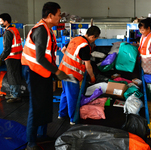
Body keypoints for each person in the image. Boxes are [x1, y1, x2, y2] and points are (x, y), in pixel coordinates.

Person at [21, 2, 69, 150]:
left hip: (42, 71)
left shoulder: (48, 30)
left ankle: (41, 135)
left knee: (45, 104)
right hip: (33, 71)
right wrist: (57, 72)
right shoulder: (41, 30)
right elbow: (41, 58)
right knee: (36, 107)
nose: (60, 17)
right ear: (50, 16)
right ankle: (31, 143)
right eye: (59, 15)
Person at [58, 26, 101, 124]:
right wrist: (92, 77)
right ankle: (73, 119)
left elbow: (63, 50)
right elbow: (88, 65)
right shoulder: (85, 46)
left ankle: (61, 114)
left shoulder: (75, 39)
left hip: (62, 70)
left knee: (65, 93)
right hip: (71, 74)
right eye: (95, 39)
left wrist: (71, 60)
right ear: (93, 37)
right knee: (73, 97)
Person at [0, 13, 22, 103]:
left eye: (1, 21)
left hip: (11, 57)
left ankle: (15, 95)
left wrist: (0, 58)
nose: (0, 23)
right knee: (15, 75)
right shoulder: (14, 30)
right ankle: (15, 93)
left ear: (6, 21)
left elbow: (7, 50)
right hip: (17, 57)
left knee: (12, 76)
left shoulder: (8, 32)